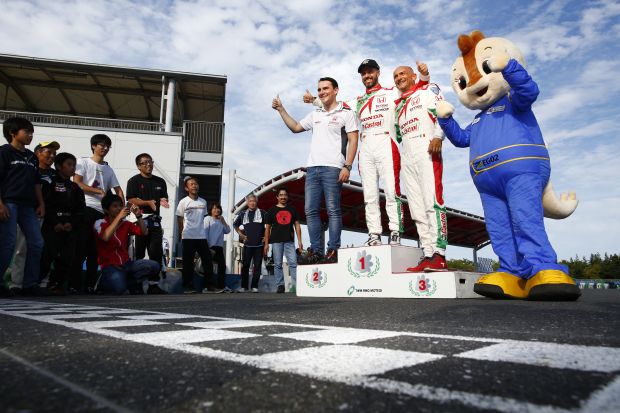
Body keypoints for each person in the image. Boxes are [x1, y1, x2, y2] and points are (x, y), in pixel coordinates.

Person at [304, 60, 429, 247]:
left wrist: (424, 75)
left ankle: (395, 231)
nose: (367, 76)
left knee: (391, 191)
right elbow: (338, 105)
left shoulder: (391, 92)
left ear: (378, 72)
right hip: (367, 145)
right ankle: (374, 234)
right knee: (369, 194)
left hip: (386, 142)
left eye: (370, 72)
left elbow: (416, 89)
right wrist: (314, 99)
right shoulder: (358, 101)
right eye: (363, 73)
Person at [274, 77, 358, 263]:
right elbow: (296, 127)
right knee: (310, 210)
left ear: (336, 90)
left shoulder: (346, 113)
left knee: (333, 210)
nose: (321, 92)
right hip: (312, 169)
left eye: (325, 88)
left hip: (334, 168)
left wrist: (348, 166)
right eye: (319, 89)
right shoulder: (315, 114)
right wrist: (281, 109)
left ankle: (333, 250)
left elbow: (353, 139)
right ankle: (317, 251)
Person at [393, 66, 449, 272]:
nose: (398, 78)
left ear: (413, 76)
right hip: (407, 156)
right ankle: (427, 253)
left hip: (427, 149)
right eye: (395, 76)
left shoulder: (427, 91)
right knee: (416, 208)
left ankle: (439, 254)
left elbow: (443, 112)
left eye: (402, 74)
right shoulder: (398, 106)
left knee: (432, 202)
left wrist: (438, 137)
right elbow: (398, 135)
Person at [0, 117, 45, 296]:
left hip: (28, 206)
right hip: (9, 203)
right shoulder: (4, 152)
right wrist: (0, 204)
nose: (30, 135)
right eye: (27, 131)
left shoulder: (32, 157)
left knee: (37, 243)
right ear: (12, 133)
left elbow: (36, 183)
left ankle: (29, 284)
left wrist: (41, 203)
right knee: (8, 243)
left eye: (32, 132)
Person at [74, 134, 124, 292]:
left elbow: (118, 190)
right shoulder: (83, 162)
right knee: (81, 247)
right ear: (93, 146)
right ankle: (75, 284)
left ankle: (90, 285)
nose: (105, 148)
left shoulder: (108, 169)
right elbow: (77, 183)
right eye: (101, 145)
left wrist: (121, 210)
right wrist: (98, 191)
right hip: (85, 208)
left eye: (107, 146)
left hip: (102, 213)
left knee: (95, 250)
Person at [9, 140, 59, 292]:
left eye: (54, 153)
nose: (52, 156)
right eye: (48, 152)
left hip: (50, 218)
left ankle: (36, 283)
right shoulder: (30, 170)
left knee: (43, 250)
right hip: (30, 213)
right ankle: (16, 284)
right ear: (38, 153)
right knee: (22, 249)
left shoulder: (55, 175)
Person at [94, 193, 164, 294]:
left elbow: (144, 232)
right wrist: (118, 218)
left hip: (126, 264)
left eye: (120, 205)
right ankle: (103, 282)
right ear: (106, 210)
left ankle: (124, 282)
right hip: (110, 266)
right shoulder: (100, 223)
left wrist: (138, 216)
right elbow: (105, 237)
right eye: (115, 206)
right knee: (119, 289)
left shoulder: (125, 223)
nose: (119, 209)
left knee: (155, 266)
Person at [40, 152, 86, 294]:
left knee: (67, 256)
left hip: (69, 227)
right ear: (59, 166)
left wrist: (71, 223)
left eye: (74, 165)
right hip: (52, 225)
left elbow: (81, 210)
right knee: (48, 254)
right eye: (69, 164)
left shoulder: (75, 187)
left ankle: (57, 284)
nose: (72, 168)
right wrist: (55, 223)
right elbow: (46, 205)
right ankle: (39, 282)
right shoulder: (50, 183)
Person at [126, 153, 169, 270]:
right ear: (138, 166)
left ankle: (154, 280)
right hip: (139, 220)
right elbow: (131, 199)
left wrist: (163, 201)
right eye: (144, 162)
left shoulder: (160, 181)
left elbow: (163, 197)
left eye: (150, 162)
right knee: (138, 253)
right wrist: (148, 203)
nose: (148, 164)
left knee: (155, 253)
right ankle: (136, 280)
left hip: (155, 221)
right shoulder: (133, 181)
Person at [176, 176, 218, 293]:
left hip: (201, 236)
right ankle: (188, 286)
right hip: (188, 236)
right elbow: (179, 218)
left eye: (196, 184)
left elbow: (204, 218)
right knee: (188, 262)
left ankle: (208, 286)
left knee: (207, 260)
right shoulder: (183, 202)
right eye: (191, 184)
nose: (194, 186)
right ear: (186, 188)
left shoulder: (203, 202)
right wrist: (182, 233)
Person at [264, 187, 303, 293]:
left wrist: (300, 241)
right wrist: (266, 244)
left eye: (285, 195)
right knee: (277, 264)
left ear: (287, 197)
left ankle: (297, 285)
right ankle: (280, 285)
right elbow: (267, 228)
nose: (283, 197)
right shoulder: (271, 210)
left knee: (293, 263)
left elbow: (297, 225)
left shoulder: (292, 209)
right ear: (277, 197)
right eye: (281, 195)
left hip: (289, 241)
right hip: (276, 241)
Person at [233, 194, 266, 292]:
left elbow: (269, 225)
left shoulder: (263, 212)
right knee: (245, 266)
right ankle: (244, 286)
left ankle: (254, 286)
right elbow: (235, 225)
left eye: (254, 201)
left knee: (257, 266)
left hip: (259, 244)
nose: (252, 203)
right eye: (250, 201)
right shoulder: (242, 213)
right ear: (247, 203)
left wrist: (266, 237)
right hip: (247, 244)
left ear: (257, 202)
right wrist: (241, 235)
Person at [204, 203, 231, 291]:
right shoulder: (207, 219)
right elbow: (205, 232)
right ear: (210, 210)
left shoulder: (220, 220)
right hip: (210, 246)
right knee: (209, 267)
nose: (217, 210)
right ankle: (208, 286)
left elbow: (227, 230)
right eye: (214, 208)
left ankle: (221, 286)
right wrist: (206, 246)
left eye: (218, 208)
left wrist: (223, 221)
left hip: (219, 247)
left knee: (222, 266)